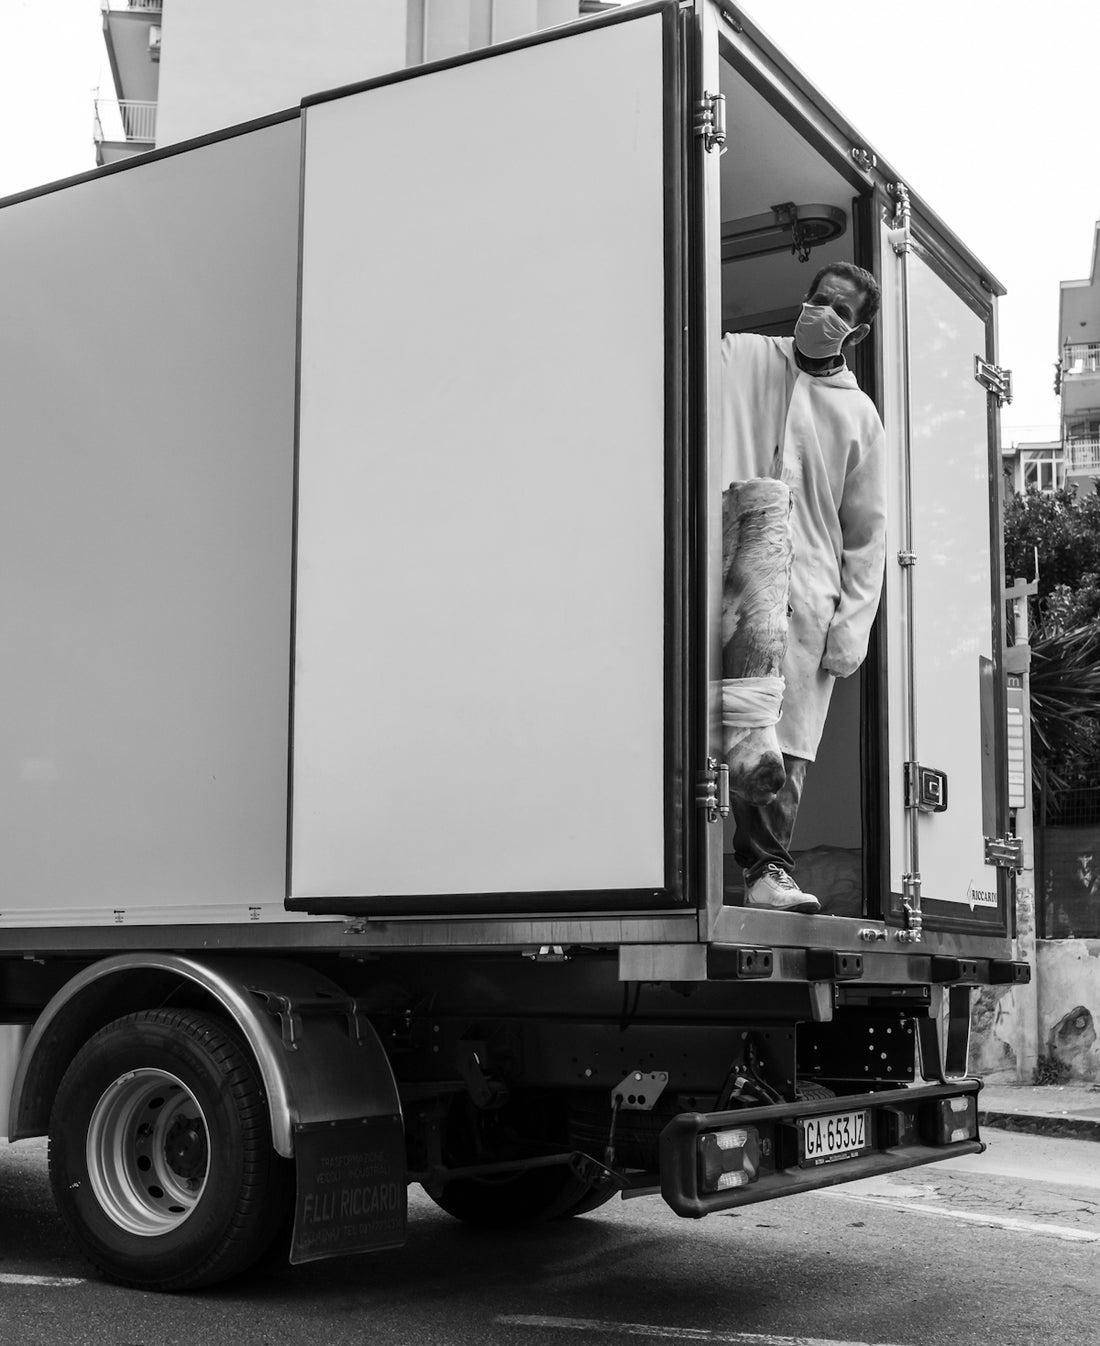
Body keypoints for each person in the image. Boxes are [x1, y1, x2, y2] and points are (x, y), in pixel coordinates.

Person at [721, 262, 887, 914]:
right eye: (820, 300)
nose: (824, 314)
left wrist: (852, 626)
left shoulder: (858, 415)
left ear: (859, 331)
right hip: (733, 567)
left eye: (840, 311)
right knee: (721, 721)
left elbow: (869, 532)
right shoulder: (745, 357)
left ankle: (766, 871)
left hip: (807, 591)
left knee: (782, 742)